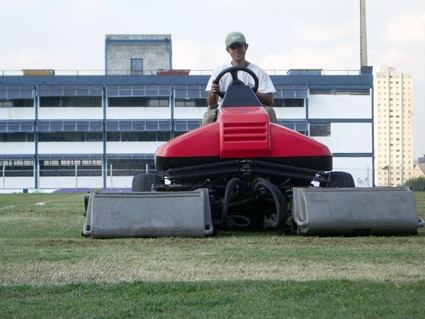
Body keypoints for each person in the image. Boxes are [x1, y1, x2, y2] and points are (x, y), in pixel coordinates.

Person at [202, 31, 277, 126]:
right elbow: (212, 104)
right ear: (228, 50)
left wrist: (249, 92)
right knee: (208, 117)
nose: (236, 50)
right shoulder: (219, 71)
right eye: (233, 47)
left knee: (269, 111)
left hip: (254, 109)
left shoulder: (259, 72)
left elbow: (269, 101)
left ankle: (270, 140)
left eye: (239, 46)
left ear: (246, 47)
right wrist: (214, 92)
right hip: (224, 109)